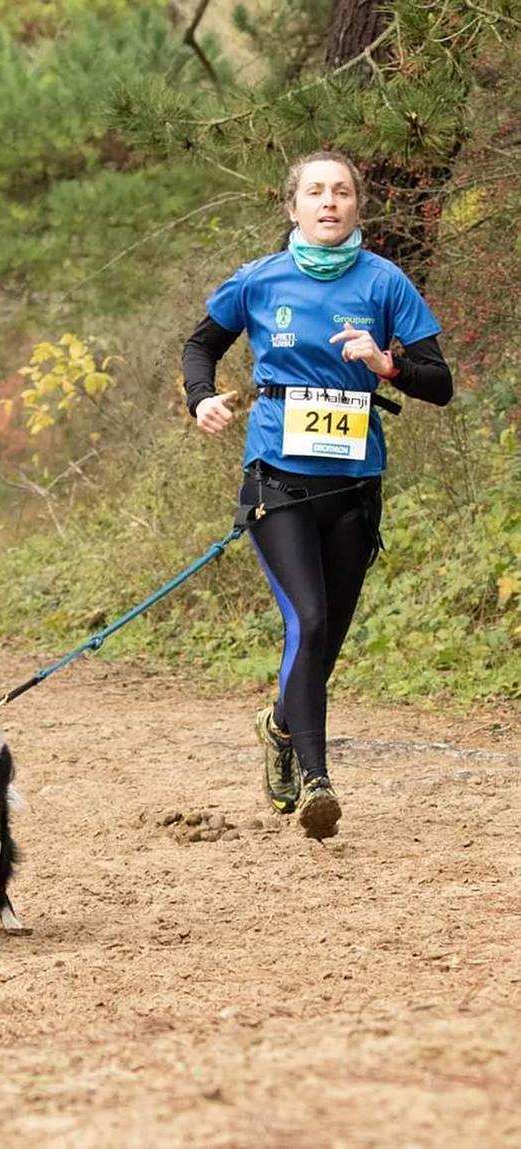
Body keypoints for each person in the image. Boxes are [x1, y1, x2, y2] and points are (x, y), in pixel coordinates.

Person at [182, 150, 452, 839]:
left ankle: (278, 724)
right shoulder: (258, 279)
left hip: (354, 488)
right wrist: (200, 400)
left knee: (324, 635)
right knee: (305, 616)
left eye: (340, 192)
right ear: (292, 206)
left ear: (357, 206)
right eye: (315, 192)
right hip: (276, 479)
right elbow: (199, 345)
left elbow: (437, 381)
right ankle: (316, 778)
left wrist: (383, 362)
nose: (328, 202)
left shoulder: (385, 281)